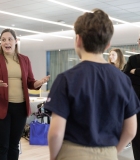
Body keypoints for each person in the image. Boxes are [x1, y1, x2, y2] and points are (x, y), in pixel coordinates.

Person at [45, 9, 140, 160]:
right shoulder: (123, 80)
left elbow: (56, 132)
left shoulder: (66, 79)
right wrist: (112, 152)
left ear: (78, 39)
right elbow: (131, 130)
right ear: (108, 44)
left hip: (72, 153)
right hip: (108, 153)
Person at [0, 28, 50, 160]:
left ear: (16, 41)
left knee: (14, 145)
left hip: (20, 108)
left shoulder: (24, 59)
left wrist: (38, 83)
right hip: (0, 108)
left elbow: (30, 82)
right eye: (3, 40)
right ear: (0, 42)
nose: (7, 42)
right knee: (2, 146)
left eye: (10, 39)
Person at [123, 35, 140, 160]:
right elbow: (126, 78)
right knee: (137, 137)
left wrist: (137, 72)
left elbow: (132, 76)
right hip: (137, 103)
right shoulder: (133, 59)